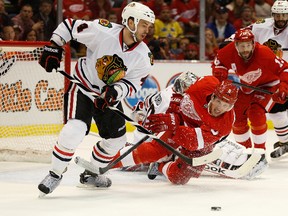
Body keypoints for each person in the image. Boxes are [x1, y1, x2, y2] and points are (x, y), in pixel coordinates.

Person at [37, 1, 155, 196]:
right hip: (83, 87)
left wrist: (115, 92)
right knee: (75, 130)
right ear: (130, 21)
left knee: (117, 140)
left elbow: (133, 83)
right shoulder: (103, 30)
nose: (147, 30)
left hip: (107, 97)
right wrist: (54, 45)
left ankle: (91, 173)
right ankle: (55, 174)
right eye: (144, 24)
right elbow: (69, 26)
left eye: (149, 26)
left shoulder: (144, 56)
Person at [85, 76, 239, 185]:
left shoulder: (224, 124)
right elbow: (183, 81)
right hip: (181, 120)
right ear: (213, 95)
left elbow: (192, 142)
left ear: (232, 106)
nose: (220, 108)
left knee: (179, 178)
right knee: (155, 150)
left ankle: (160, 165)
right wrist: (173, 107)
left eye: (226, 105)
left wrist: (171, 124)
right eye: (218, 101)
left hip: (200, 139)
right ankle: (104, 164)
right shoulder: (205, 84)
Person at [212, 29, 288, 165]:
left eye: (248, 45)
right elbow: (219, 62)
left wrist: (283, 87)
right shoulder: (228, 51)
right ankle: (244, 153)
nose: (245, 49)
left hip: (269, 85)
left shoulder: (264, 53)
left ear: (253, 44)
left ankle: (260, 155)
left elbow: (284, 68)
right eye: (242, 46)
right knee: (237, 117)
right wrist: (219, 72)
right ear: (235, 46)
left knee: (256, 112)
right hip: (247, 87)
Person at [244, 0, 288, 158]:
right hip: (274, 76)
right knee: (277, 109)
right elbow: (244, 33)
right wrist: (229, 42)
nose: (281, 18)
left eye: (284, 14)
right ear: (273, 15)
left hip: (286, 74)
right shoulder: (261, 25)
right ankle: (285, 141)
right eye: (278, 14)